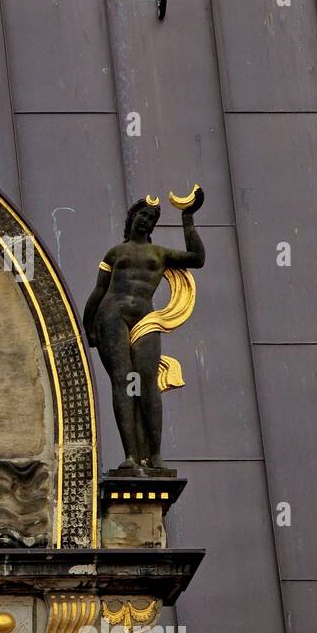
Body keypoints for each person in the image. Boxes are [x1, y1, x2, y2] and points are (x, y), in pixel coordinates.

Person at [83, 189, 205, 476]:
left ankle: (154, 455)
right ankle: (130, 455)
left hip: (146, 318)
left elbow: (197, 258)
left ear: (152, 225)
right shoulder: (116, 252)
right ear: (132, 218)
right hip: (111, 315)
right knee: (124, 381)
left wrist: (187, 219)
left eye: (151, 218)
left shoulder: (159, 253)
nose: (145, 220)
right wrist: (89, 327)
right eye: (142, 215)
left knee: (147, 382)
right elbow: (99, 292)